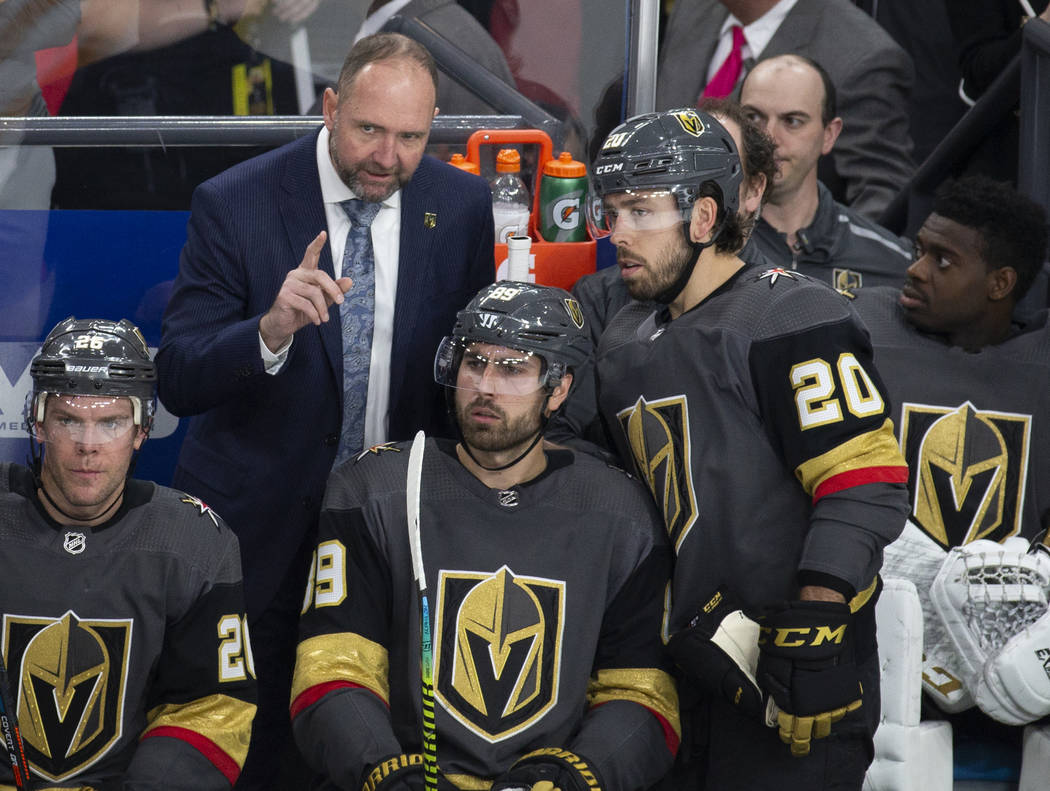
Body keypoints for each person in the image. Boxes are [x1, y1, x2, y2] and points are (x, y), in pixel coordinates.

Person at [156, 31, 495, 789]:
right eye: (370, 130)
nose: (388, 157)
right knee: (258, 753)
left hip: (389, 538)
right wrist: (268, 331)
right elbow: (177, 375)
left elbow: (456, 378)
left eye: (411, 137)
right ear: (331, 107)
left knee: (368, 748)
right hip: (258, 536)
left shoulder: (462, 205)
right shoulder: (235, 200)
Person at [587, 108, 910, 789]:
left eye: (640, 211)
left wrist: (820, 606)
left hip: (793, 666)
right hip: (679, 675)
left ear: (704, 219)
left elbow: (864, 480)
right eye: (611, 210)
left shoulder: (793, 316)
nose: (618, 233)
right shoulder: (621, 337)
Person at [290, 282, 679, 791]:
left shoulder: (619, 511)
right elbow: (330, 670)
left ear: (559, 389)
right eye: (474, 362)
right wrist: (382, 771)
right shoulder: (376, 488)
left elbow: (644, 693)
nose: (485, 386)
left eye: (514, 368)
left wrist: (577, 777)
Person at [0, 316, 255, 790]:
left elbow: (210, 709)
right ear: (37, 421)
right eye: (68, 419)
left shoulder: (195, 542)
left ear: (142, 429)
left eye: (111, 422)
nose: (88, 446)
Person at [656, 0, 915, 221]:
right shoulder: (693, 8)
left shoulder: (860, 56)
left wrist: (804, 273)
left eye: (792, 121)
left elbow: (881, 196)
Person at [739, 54, 912, 292]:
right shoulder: (700, 245)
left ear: (829, 135)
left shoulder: (891, 263)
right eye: (753, 117)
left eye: (792, 121)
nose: (769, 138)